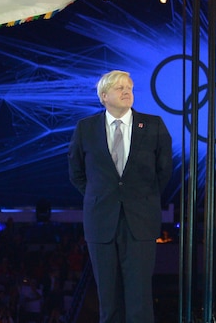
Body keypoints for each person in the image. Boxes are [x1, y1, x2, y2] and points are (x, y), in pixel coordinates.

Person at [68, 70, 173, 323]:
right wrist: (102, 196)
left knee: (139, 298)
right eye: (119, 88)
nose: (127, 92)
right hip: (101, 221)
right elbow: (76, 173)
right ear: (104, 96)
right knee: (108, 297)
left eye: (129, 87)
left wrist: (138, 197)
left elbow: (164, 171)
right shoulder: (86, 128)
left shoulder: (153, 125)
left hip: (140, 220)